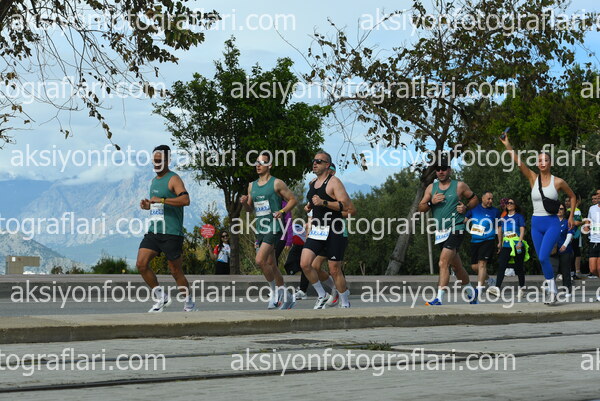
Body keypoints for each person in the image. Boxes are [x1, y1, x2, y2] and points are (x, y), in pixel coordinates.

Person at [500, 134, 576, 304]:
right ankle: (553, 291)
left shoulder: (558, 182)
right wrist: (507, 144)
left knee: (543, 257)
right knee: (542, 258)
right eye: (540, 160)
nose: (542, 163)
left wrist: (570, 216)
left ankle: (552, 290)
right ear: (537, 164)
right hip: (536, 223)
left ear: (550, 163)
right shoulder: (533, 178)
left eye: (545, 160)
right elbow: (518, 162)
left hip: (551, 223)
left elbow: (572, 197)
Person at [137, 145, 195, 312]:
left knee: (175, 271)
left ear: (168, 161)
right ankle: (161, 297)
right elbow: (158, 205)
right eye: (154, 161)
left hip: (171, 232)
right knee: (141, 264)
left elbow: (185, 200)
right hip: (154, 231)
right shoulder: (154, 181)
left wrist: (161, 200)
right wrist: (148, 205)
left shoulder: (174, 179)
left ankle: (189, 303)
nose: (156, 164)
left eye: (159, 160)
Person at [240, 151, 298, 310]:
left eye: (262, 162)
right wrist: (244, 203)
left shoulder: (276, 183)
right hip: (260, 227)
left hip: (274, 226)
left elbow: (293, 200)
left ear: (269, 165)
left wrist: (282, 211)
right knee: (271, 264)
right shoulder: (251, 185)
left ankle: (273, 293)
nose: (258, 165)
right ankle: (287, 296)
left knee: (260, 260)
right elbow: (249, 209)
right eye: (256, 162)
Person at [418, 159, 479, 305]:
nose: (441, 171)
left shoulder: (459, 186)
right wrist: (431, 202)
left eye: (444, 168)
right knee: (456, 267)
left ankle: (439, 298)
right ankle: (472, 293)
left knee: (443, 262)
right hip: (441, 233)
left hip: (456, 228)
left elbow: (474, 199)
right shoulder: (431, 188)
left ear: (449, 170)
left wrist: (466, 207)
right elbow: (421, 208)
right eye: (438, 169)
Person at [300, 151, 356, 309]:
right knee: (305, 264)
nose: (315, 163)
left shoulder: (334, 182)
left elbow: (346, 206)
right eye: (314, 160)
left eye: (319, 161)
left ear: (327, 165)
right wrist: (310, 206)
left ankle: (345, 303)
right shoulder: (312, 183)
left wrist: (324, 202)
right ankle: (322, 294)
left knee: (334, 269)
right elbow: (314, 201)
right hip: (318, 229)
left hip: (334, 230)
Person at [489, 198, 528, 299]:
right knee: (502, 266)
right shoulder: (503, 218)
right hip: (506, 245)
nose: (509, 204)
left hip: (516, 244)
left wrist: (520, 241)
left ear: (515, 205)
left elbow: (522, 229)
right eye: (507, 203)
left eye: (511, 203)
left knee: (519, 267)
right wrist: (499, 243)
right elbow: (500, 230)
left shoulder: (519, 217)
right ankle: (497, 288)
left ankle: (522, 289)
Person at [465, 191, 501, 290]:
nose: (491, 201)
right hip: (475, 240)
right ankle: (489, 279)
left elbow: (499, 227)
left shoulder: (495, 211)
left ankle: (479, 289)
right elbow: (464, 220)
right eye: (489, 199)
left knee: (482, 264)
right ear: (483, 198)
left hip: (488, 240)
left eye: (492, 199)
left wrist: (500, 242)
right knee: (474, 266)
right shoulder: (474, 209)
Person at [553, 203, 574, 298]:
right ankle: (552, 290)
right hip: (553, 250)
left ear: (564, 211)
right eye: (558, 209)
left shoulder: (567, 222)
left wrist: (565, 245)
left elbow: (570, 234)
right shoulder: (552, 222)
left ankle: (567, 290)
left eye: (561, 209)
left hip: (565, 250)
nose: (559, 210)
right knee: (553, 270)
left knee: (565, 271)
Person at [582, 192, 600, 286]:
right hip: (593, 240)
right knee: (593, 269)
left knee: (599, 268)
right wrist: (586, 226)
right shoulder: (592, 208)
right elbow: (588, 220)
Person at [565, 194, 583, 280]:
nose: (567, 203)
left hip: (574, 235)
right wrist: (584, 222)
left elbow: (576, 222)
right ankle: (572, 272)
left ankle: (574, 272)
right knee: (573, 253)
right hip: (571, 235)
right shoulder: (570, 210)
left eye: (569, 201)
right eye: (566, 201)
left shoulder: (575, 210)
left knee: (574, 253)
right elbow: (575, 223)